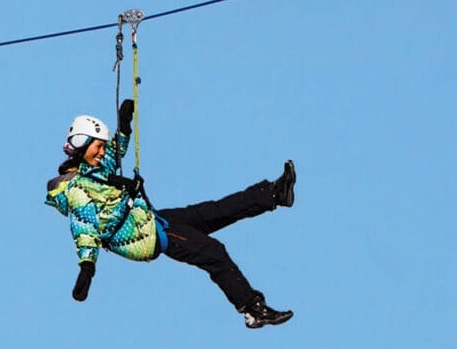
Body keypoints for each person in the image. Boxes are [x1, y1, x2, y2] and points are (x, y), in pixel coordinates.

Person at [43, 99, 295, 329]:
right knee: (213, 252)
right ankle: (252, 309)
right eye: (98, 146)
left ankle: (274, 194)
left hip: (152, 220)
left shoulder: (93, 169)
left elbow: (113, 154)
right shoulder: (77, 191)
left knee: (215, 211)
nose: (101, 151)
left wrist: (124, 127)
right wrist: (87, 268)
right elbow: (85, 229)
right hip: (146, 236)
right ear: (83, 145)